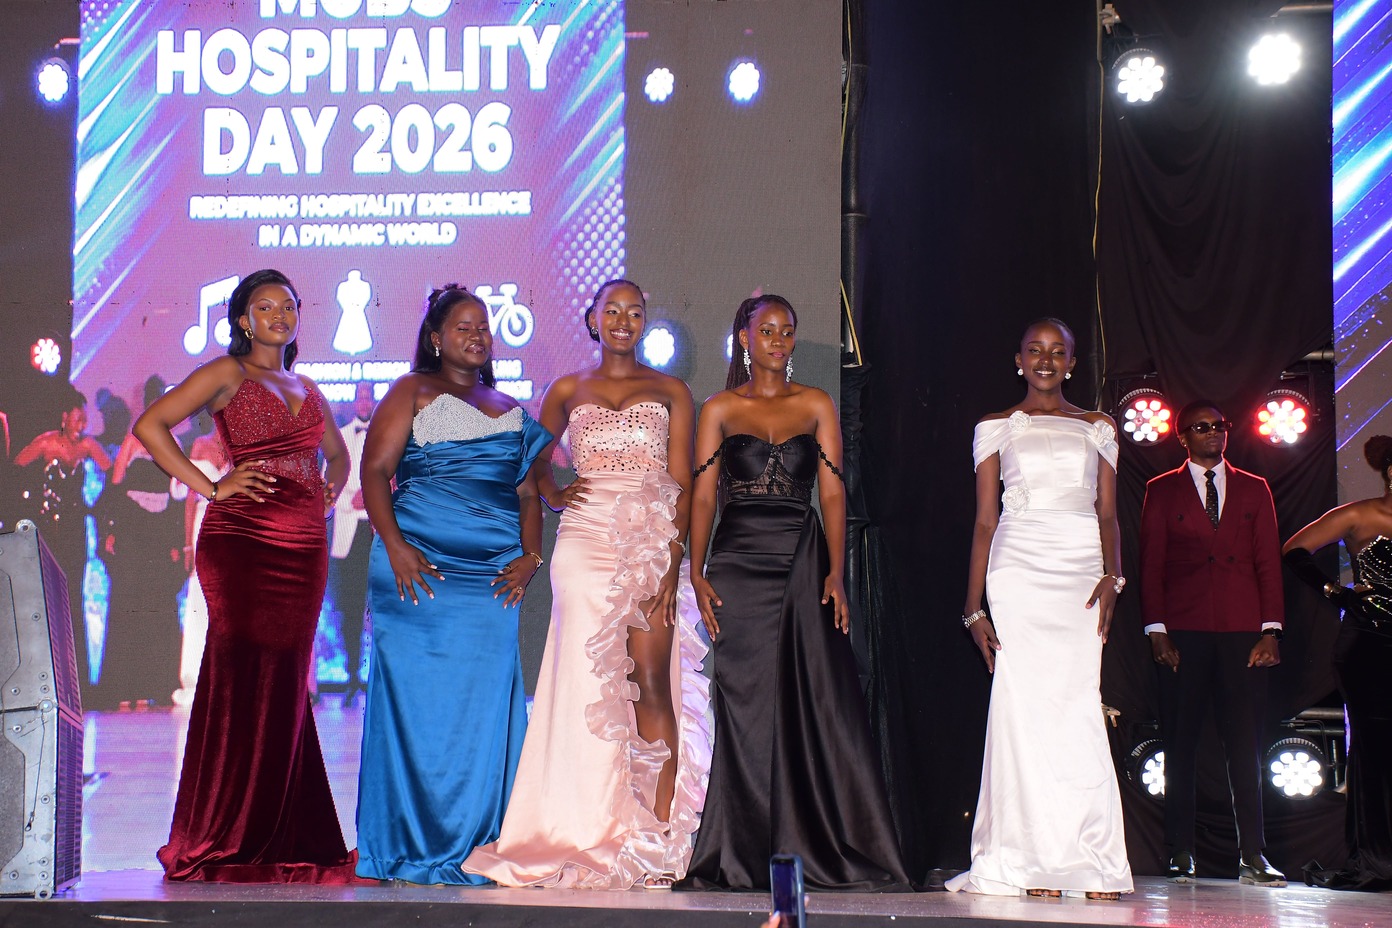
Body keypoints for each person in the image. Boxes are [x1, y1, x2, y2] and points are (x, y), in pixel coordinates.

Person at [463, 279, 710, 889]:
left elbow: (683, 483)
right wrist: (552, 491)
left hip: (650, 539)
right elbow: (530, 461)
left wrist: (671, 562)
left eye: (635, 312)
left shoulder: (672, 391)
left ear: (644, 322)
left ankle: (655, 838)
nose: (624, 320)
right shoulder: (567, 388)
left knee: (650, 680)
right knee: (585, 680)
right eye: (613, 311)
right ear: (594, 320)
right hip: (584, 540)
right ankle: (581, 822)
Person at [677, 295, 908, 892]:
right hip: (737, 562)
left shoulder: (816, 403)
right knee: (745, 703)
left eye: (787, 332)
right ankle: (740, 852)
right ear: (745, 339)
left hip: (801, 560)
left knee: (810, 700)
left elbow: (831, 492)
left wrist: (836, 572)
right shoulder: (720, 408)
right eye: (768, 331)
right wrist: (696, 570)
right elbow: (704, 496)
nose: (779, 341)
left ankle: (808, 843)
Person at [136, 268, 357, 882]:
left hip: (304, 546)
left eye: (288, 306)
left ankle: (285, 827)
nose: (279, 316)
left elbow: (337, 454)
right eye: (265, 306)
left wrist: (330, 486)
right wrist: (210, 486)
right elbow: (150, 426)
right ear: (242, 319)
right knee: (239, 675)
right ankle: (225, 828)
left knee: (287, 679)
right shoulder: (226, 373)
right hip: (242, 541)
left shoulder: (308, 386)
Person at [354, 285, 550, 884]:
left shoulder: (510, 406)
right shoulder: (411, 390)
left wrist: (532, 556)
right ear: (436, 337)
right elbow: (375, 471)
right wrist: (396, 546)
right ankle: (407, 844)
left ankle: (480, 840)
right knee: (418, 711)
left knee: (483, 709)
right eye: (463, 326)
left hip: (492, 580)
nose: (477, 335)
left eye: (483, 326)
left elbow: (528, 493)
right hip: (418, 568)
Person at [947, 318, 1132, 899]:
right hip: (1018, 569)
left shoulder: (1098, 426)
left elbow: (1108, 514)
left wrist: (1113, 576)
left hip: (1080, 570)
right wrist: (973, 609)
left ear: (1072, 363)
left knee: (1077, 704)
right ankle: (1027, 860)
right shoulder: (994, 426)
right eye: (1035, 350)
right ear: (1019, 360)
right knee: (1022, 708)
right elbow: (985, 520)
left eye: (1058, 352)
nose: (1046, 360)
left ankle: (1093, 860)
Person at [1139, 400, 1285, 887]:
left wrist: (1271, 630)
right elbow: (1151, 565)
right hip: (1184, 631)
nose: (1213, 433)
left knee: (1246, 745)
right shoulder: (1161, 489)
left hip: (1243, 632)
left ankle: (1254, 854)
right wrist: (1156, 629)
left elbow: (1268, 562)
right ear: (1182, 436)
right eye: (1201, 427)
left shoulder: (1254, 487)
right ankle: (1181, 851)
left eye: (1219, 425)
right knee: (1180, 743)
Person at [1281, 436, 1392, 891]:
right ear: (1390, 472)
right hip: (1369, 647)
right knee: (1375, 751)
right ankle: (1378, 859)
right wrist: (1337, 592)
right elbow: (1294, 549)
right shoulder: (1361, 515)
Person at [14, 389, 113, 694]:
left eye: (85, 418)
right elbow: (15, 471)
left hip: (74, 530)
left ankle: (77, 685)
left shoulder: (88, 446)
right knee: (48, 599)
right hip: (48, 528)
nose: (82, 424)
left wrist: (96, 509)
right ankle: (44, 681)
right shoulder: (45, 443)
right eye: (77, 417)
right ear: (64, 417)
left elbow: (114, 477)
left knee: (72, 600)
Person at [172, 424, 229, 707]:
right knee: (200, 597)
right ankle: (195, 676)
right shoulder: (200, 445)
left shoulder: (238, 448)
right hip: (203, 525)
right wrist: (187, 544)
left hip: (231, 527)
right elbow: (190, 498)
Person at [328, 380, 377, 705]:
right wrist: (352, 500)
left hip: (375, 531)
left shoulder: (384, 435)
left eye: (368, 396)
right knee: (350, 607)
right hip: (348, 533)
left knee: (380, 607)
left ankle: (378, 678)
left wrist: (370, 498)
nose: (363, 401)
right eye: (359, 396)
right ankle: (351, 677)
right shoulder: (341, 436)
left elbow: (394, 477)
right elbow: (329, 483)